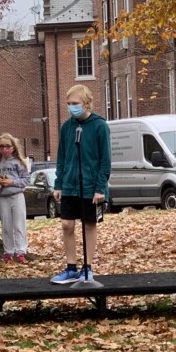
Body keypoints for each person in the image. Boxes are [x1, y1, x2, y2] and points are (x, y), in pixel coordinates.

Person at [51, 85, 112, 284]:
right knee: (67, 224)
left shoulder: (99, 126)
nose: (71, 108)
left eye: (75, 104)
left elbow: (105, 160)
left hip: (91, 186)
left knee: (89, 225)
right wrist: (59, 183)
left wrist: (100, 187)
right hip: (70, 184)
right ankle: (71, 267)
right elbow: (62, 156)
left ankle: (87, 267)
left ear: (86, 103)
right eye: (68, 104)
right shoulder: (67, 127)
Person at [0, 133, 30, 263]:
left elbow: (26, 179)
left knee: (19, 224)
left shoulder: (18, 162)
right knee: (6, 225)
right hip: (2, 197)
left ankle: (21, 251)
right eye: (1, 147)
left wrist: (13, 182)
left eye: (7, 146)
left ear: (13, 148)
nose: (4, 149)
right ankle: (8, 251)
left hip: (16, 196)